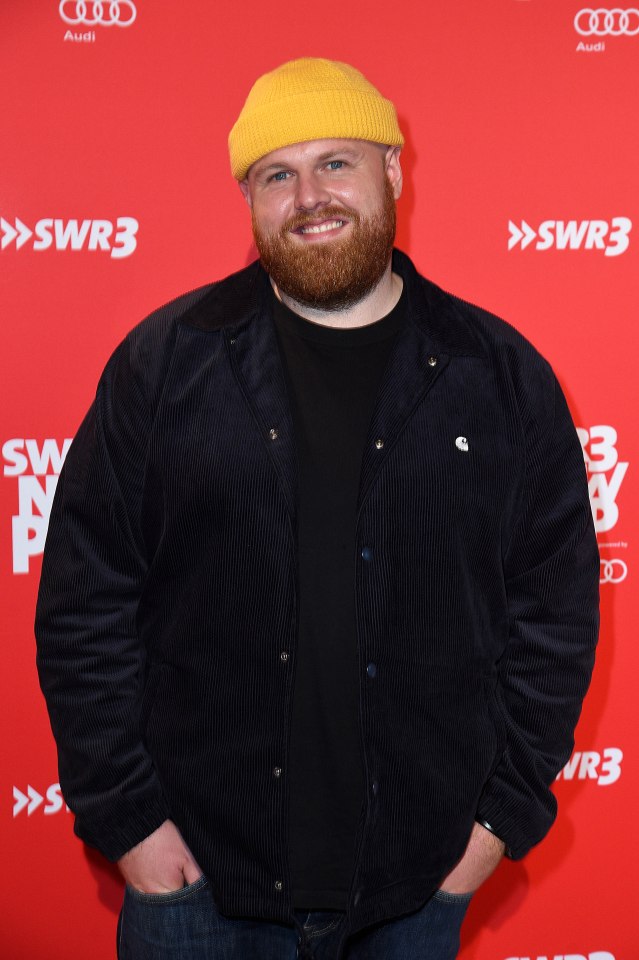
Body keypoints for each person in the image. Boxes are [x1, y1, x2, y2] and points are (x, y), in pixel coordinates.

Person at [35, 58, 599, 960]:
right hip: (196, 881)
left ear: (392, 172)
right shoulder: (164, 364)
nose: (309, 196)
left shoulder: (499, 377)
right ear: (250, 198)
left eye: (336, 161)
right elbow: (84, 602)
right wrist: (130, 821)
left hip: (416, 886)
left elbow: (554, 615)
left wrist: (496, 822)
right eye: (276, 173)